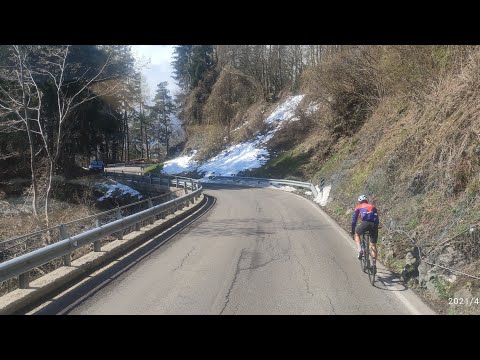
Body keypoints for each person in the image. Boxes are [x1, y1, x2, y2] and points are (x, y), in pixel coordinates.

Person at [351, 194, 379, 274]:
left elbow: (354, 220)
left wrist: (353, 230)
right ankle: (374, 266)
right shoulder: (373, 206)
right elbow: (377, 218)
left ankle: (360, 250)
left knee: (357, 234)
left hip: (365, 223)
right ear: (366, 200)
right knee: (373, 245)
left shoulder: (359, 207)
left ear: (360, 202)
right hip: (374, 224)